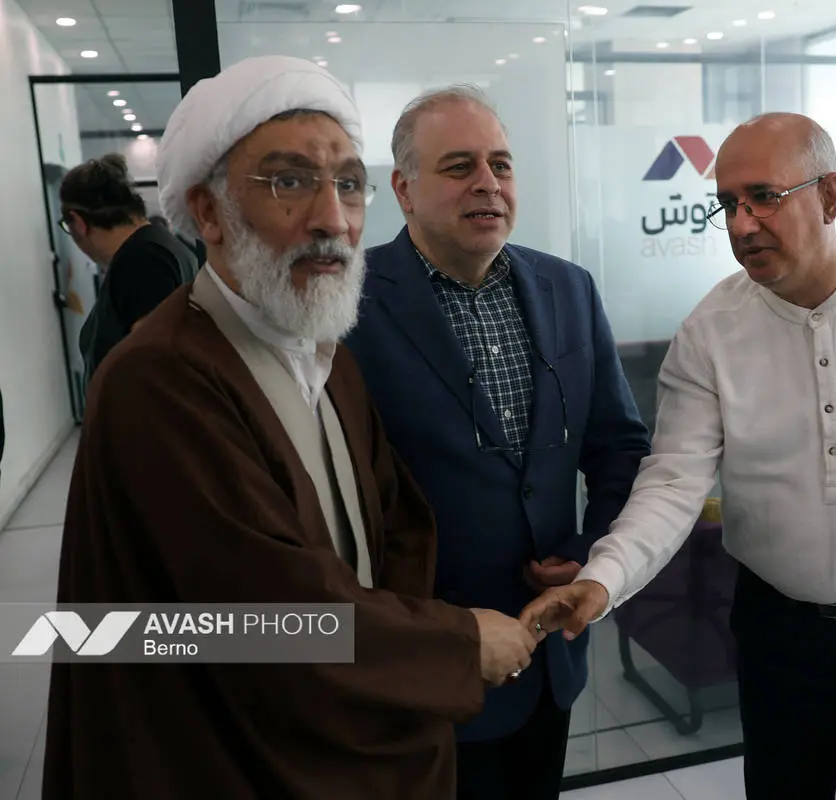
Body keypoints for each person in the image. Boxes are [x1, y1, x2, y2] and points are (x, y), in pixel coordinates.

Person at [44, 55, 542, 800]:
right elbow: (264, 618)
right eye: (289, 182)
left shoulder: (321, 349)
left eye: (348, 184)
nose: (333, 220)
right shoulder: (161, 378)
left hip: (343, 718)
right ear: (208, 212)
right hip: (233, 750)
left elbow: (395, 529)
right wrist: (457, 645)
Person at [521, 113, 836, 800]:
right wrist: (602, 579)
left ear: (829, 196)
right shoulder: (710, 333)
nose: (741, 225)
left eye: (764, 197)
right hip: (780, 628)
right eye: (728, 204)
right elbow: (673, 483)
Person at [344, 85, 651, 800]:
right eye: (459, 166)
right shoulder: (350, 303)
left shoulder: (568, 288)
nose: (487, 182)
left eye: (501, 165)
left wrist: (592, 550)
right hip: (427, 662)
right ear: (404, 190)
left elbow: (619, 445)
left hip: (549, 651)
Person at [58, 154, 198, 384]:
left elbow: (154, 369)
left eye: (67, 226)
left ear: (79, 223)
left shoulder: (142, 259)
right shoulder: (164, 247)